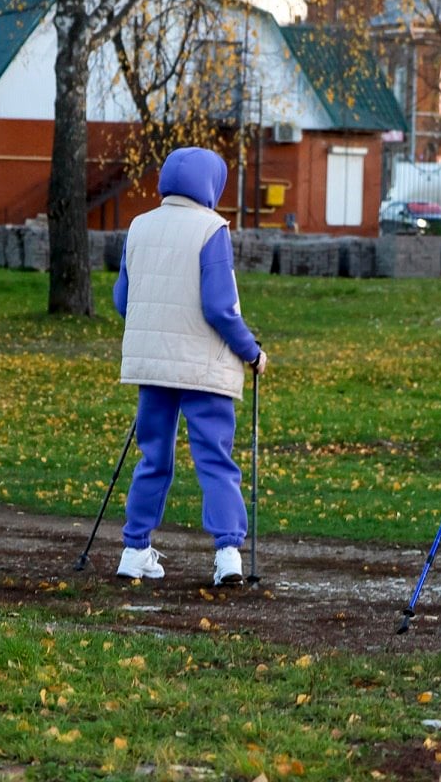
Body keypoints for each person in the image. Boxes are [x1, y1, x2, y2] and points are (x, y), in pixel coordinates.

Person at [112, 146, 267, 587]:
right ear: (211, 184)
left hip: (152, 366)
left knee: (152, 458)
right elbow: (220, 307)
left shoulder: (138, 226)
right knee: (215, 460)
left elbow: (123, 301)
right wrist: (251, 352)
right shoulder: (211, 228)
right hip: (204, 367)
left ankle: (134, 550)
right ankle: (228, 555)